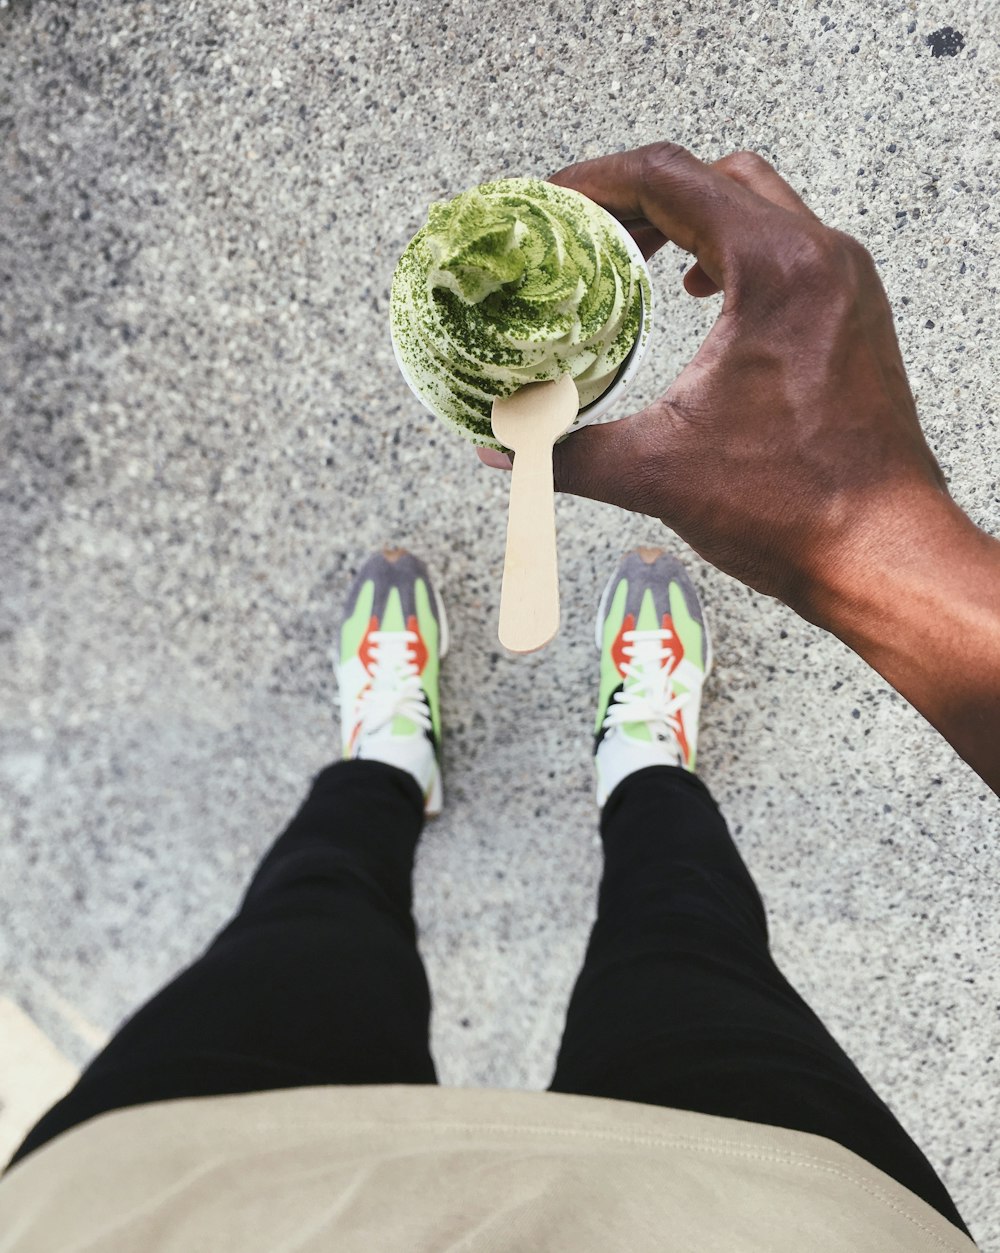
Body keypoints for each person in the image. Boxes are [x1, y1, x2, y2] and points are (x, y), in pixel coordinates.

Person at [1, 142, 995, 1251]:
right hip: (760, 1215)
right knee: (687, 930)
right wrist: (871, 542)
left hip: (181, 1201)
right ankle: (637, 763)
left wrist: (868, 543)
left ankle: (388, 761)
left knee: (310, 910)